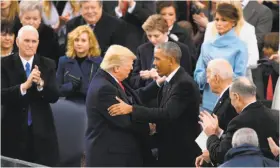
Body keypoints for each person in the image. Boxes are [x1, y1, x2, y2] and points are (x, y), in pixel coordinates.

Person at [108, 41, 201, 167]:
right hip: (169, 148)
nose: (153, 63)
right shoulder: (170, 81)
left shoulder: (183, 84)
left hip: (180, 153)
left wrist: (132, 109)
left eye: (157, 59)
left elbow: (168, 113)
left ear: (171, 60)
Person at [85, 45, 161, 167]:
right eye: (130, 64)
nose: (132, 68)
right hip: (111, 157)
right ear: (116, 68)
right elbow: (125, 122)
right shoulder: (104, 88)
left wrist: (158, 83)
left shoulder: (109, 79)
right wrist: (150, 127)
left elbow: (135, 96)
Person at [1, 25, 59, 166]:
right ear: (17, 42)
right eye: (26, 41)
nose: (30, 45)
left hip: (42, 131)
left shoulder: (48, 64)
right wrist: (24, 86)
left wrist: (40, 84)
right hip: (12, 130)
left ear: (38, 43)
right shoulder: (4, 64)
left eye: (34, 41)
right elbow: (1, 95)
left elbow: (54, 96)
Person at [198, 77, 279, 165]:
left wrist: (212, 135)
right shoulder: (275, 116)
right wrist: (219, 132)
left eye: (231, 99)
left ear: (236, 97)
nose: (232, 104)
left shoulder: (238, 122)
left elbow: (220, 155)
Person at [194, 3, 248, 112]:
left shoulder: (240, 47)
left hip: (229, 104)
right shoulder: (207, 45)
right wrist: (207, 71)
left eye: (223, 20)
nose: (218, 23)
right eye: (217, 19)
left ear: (233, 22)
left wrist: (219, 70)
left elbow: (239, 78)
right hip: (207, 104)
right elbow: (197, 78)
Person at [129, 14, 193, 91]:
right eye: (149, 36)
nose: (152, 40)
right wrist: (145, 77)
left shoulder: (182, 49)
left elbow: (186, 79)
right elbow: (133, 81)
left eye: (156, 36)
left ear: (166, 32)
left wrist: (163, 77)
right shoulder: (142, 50)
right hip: (147, 99)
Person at [204, 0, 259, 79]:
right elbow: (205, 54)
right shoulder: (210, 26)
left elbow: (253, 60)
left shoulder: (248, 29)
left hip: (240, 81)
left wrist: (229, 70)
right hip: (214, 79)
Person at [56, 25, 102, 104]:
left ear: (90, 43)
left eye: (83, 40)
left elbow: (100, 90)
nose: (79, 43)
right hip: (70, 105)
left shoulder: (99, 62)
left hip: (91, 106)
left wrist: (82, 86)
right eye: (76, 40)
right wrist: (71, 86)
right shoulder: (63, 61)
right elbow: (57, 89)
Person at [14, 0, 61, 65]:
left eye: (35, 19)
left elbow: (54, 61)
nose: (31, 22)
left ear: (40, 19)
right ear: (20, 18)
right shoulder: (13, 31)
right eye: (27, 18)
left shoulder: (50, 34)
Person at [206, 59, 237, 131]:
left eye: (208, 77)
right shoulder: (229, 96)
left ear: (216, 78)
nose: (207, 81)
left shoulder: (230, 101)